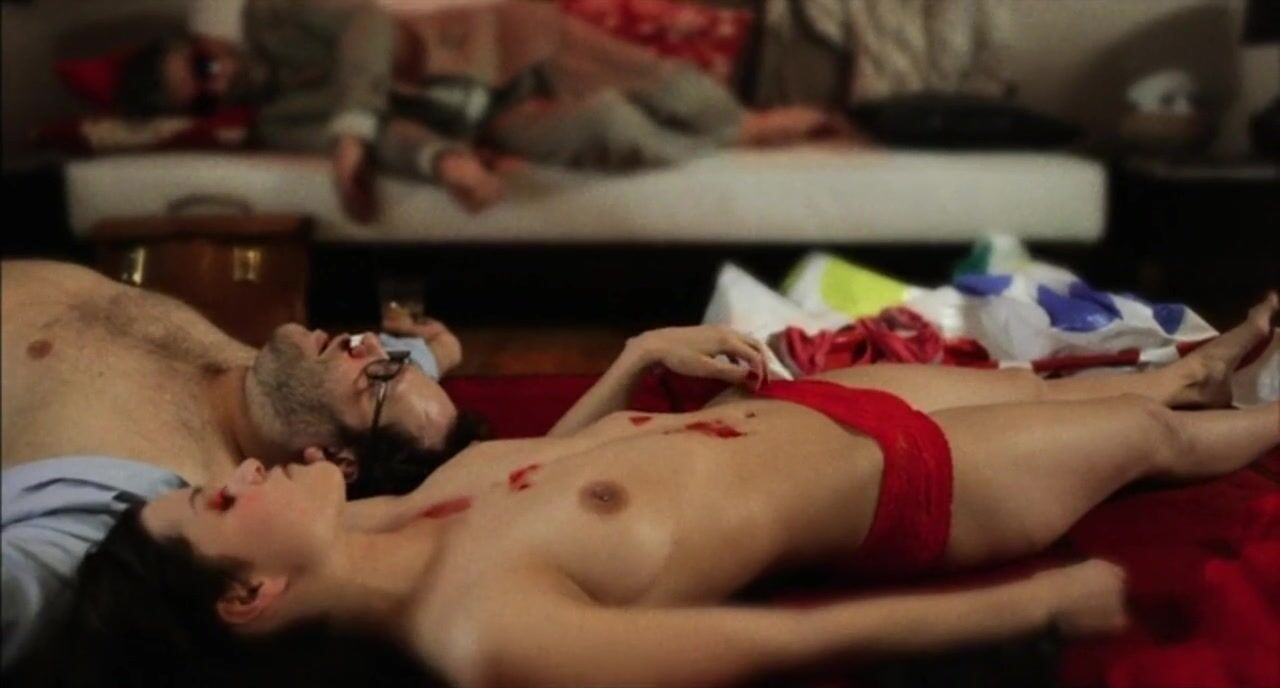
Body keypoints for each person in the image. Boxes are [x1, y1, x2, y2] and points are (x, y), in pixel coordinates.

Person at [16, 295, 1278, 687]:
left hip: (796, 414)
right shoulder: (474, 630)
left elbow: (535, 471)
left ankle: (1203, 365)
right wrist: (1026, 606)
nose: (233, 472)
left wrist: (628, 362)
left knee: (1052, 386)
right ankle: (1239, 409)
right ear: (248, 595)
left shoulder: (389, 518)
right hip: (898, 484)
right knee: (1145, 441)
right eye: (217, 502)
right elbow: (762, 646)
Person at [0, 259, 469, 668]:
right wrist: (437, 352)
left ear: (335, 461)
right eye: (395, 357)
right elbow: (402, 405)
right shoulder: (292, 382)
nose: (365, 342)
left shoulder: (147, 514)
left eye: (382, 372)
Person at [116, 0, 849, 219]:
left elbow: (370, 26)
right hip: (473, 124)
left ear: (207, 42)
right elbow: (395, 141)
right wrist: (444, 161)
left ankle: (737, 125)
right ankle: (720, 143)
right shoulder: (275, 122)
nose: (220, 81)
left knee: (631, 68)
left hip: (486, 47)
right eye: (203, 95)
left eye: (204, 65)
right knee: (607, 127)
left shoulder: (275, 16)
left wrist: (353, 124)